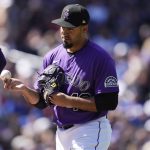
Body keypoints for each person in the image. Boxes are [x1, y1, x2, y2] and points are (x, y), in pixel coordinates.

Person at [3, 4, 119, 150]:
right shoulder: (52, 56)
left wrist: (68, 101)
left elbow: (109, 102)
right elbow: (41, 101)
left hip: (90, 128)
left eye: (70, 28)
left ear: (84, 29)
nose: (64, 32)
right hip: (62, 133)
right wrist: (25, 90)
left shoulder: (101, 58)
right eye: (62, 27)